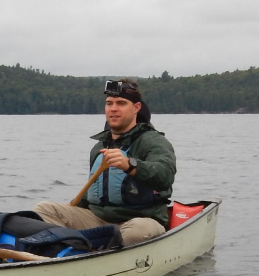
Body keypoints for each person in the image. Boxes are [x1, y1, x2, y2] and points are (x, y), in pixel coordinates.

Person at [32, 79, 176, 246]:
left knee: (137, 231)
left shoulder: (153, 141)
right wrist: (74, 206)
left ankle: (94, 250)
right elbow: (97, 188)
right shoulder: (99, 147)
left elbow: (165, 175)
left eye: (121, 103)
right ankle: (74, 251)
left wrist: (130, 165)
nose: (113, 109)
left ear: (136, 108)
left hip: (141, 220)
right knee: (43, 209)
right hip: (98, 220)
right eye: (109, 103)